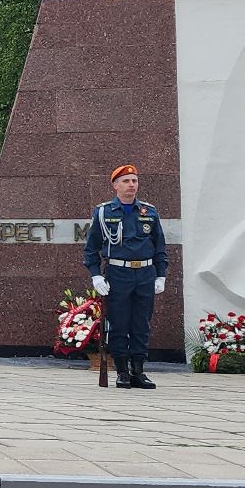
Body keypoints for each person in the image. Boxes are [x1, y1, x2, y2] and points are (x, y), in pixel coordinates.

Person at [84, 164, 166, 390]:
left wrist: (161, 275)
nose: (132, 185)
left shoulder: (149, 212)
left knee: (141, 324)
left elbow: (159, 246)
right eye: (126, 181)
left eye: (135, 181)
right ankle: (122, 371)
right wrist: (95, 276)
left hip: (145, 273)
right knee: (119, 324)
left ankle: (138, 370)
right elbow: (91, 249)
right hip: (118, 274)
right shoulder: (103, 212)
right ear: (115, 185)